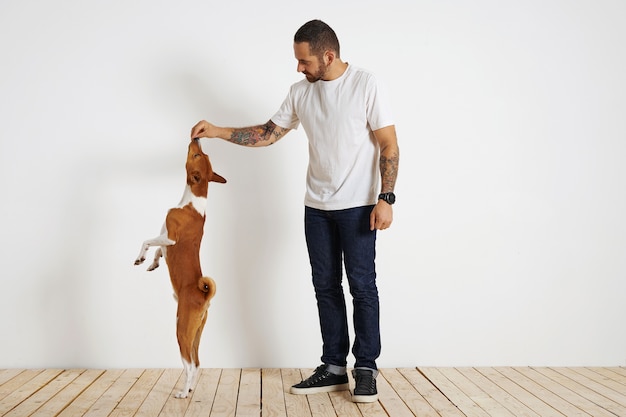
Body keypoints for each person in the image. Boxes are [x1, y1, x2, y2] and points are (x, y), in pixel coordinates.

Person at [190, 19, 399, 403]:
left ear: (328, 55)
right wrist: (218, 131)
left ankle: (365, 367)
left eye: (304, 61)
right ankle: (334, 367)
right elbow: (269, 133)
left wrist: (386, 198)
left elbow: (388, 145)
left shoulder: (366, 85)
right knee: (325, 287)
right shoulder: (300, 93)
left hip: (358, 207)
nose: (299, 68)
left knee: (362, 288)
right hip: (316, 208)